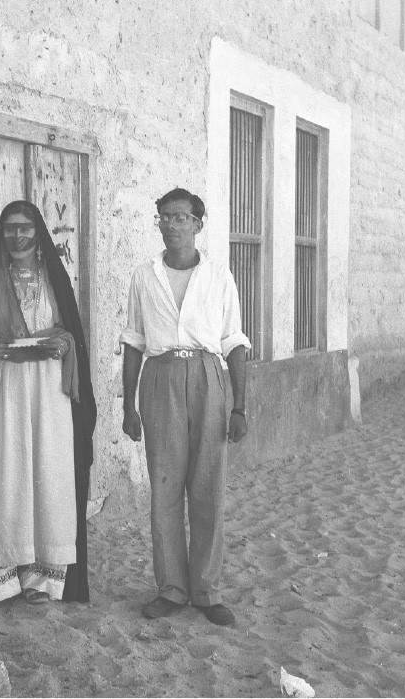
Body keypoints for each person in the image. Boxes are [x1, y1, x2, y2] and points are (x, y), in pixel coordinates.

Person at [0, 200, 96, 605]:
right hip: (7, 387)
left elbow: (70, 336)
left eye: (25, 228)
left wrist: (62, 343)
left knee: (49, 471)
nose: (18, 235)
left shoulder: (54, 281)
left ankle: (44, 578)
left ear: (38, 235)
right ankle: (3, 574)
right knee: (6, 470)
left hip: (50, 390)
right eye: (10, 228)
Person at [120, 188, 250, 627]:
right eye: (164, 217)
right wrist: (128, 406)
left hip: (208, 377)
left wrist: (239, 407)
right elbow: (134, 342)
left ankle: (206, 590)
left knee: (208, 485)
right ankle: (171, 589)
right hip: (160, 378)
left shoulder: (218, 276)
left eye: (181, 217)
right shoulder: (144, 276)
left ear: (197, 224)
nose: (172, 224)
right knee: (165, 486)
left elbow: (233, 342)